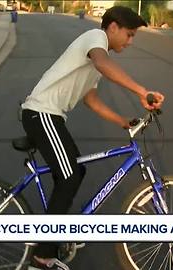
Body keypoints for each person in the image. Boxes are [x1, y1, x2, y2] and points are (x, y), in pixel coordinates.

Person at [22, 6, 164, 270]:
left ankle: (56, 234)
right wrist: (141, 91)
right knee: (70, 175)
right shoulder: (94, 39)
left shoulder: (97, 58)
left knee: (75, 172)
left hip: (51, 117)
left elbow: (91, 100)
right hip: (41, 114)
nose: (130, 42)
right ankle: (42, 257)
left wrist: (123, 121)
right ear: (112, 28)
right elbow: (102, 63)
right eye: (129, 35)